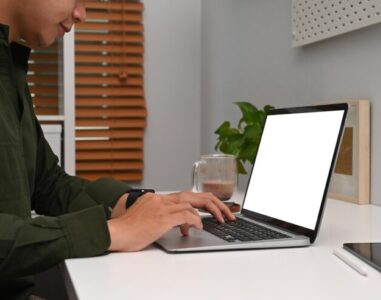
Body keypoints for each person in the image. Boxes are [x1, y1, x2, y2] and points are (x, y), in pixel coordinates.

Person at [0, 0, 236, 298]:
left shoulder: (9, 71)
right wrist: (112, 232)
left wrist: (142, 204)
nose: (81, 14)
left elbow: (49, 185)